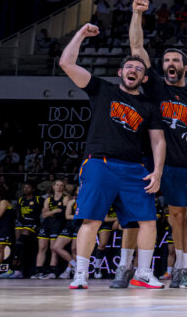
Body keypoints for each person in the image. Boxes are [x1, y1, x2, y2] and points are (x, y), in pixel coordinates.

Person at [58, 23, 165, 290]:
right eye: (129, 67)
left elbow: (158, 140)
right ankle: (80, 275)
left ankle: (141, 273)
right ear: (120, 72)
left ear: (144, 78)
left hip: (134, 168)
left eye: (139, 70)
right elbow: (66, 63)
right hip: (99, 163)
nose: (134, 71)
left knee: (149, 222)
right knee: (91, 220)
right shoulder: (103, 90)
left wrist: (158, 171)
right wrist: (81, 34)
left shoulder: (148, 106)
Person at [129, 0, 187, 288]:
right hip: (168, 162)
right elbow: (137, 49)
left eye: (176, 60)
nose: (171, 63)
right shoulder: (158, 85)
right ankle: (178, 267)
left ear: (186, 66)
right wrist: (137, 14)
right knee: (176, 215)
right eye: (167, 60)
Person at [32, 179, 68, 279]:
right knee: (42, 247)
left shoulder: (65, 198)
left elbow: (62, 213)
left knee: (53, 248)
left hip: (57, 225)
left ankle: (52, 270)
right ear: (53, 186)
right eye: (57, 185)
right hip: (46, 224)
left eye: (61, 185)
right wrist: (55, 210)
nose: (59, 187)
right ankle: (38, 270)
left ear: (63, 187)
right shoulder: (48, 199)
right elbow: (44, 214)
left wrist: (51, 212)